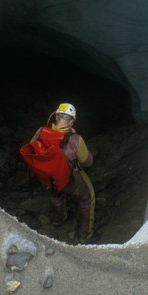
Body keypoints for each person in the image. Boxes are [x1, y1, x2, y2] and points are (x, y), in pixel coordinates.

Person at [31, 102, 97, 244]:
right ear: (71, 121)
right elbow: (87, 162)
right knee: (87, 199)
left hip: (50, 177)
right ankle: (85, 236)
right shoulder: (75, 140)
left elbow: (32, 150)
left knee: (56, 194)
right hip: (71, 179)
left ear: (56, 117)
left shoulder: (40, 132)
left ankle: (58, 220)